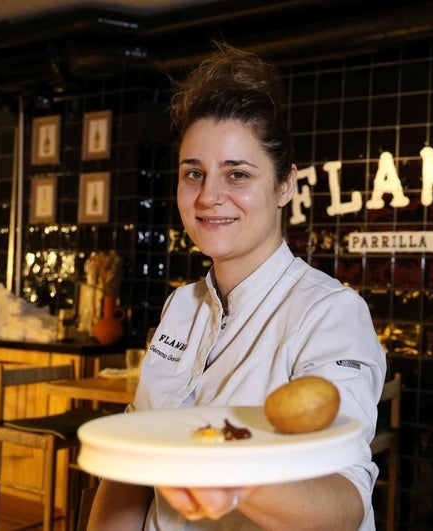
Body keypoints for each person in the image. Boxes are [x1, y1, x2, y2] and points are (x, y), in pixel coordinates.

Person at [87, 42, 387, 531]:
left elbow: (343, 504)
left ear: (285, 185)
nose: (208, 196)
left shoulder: (331, 313)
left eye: (237, 174)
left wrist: (233, 472)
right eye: (194, 174)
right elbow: (131, 470)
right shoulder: (180, 306)